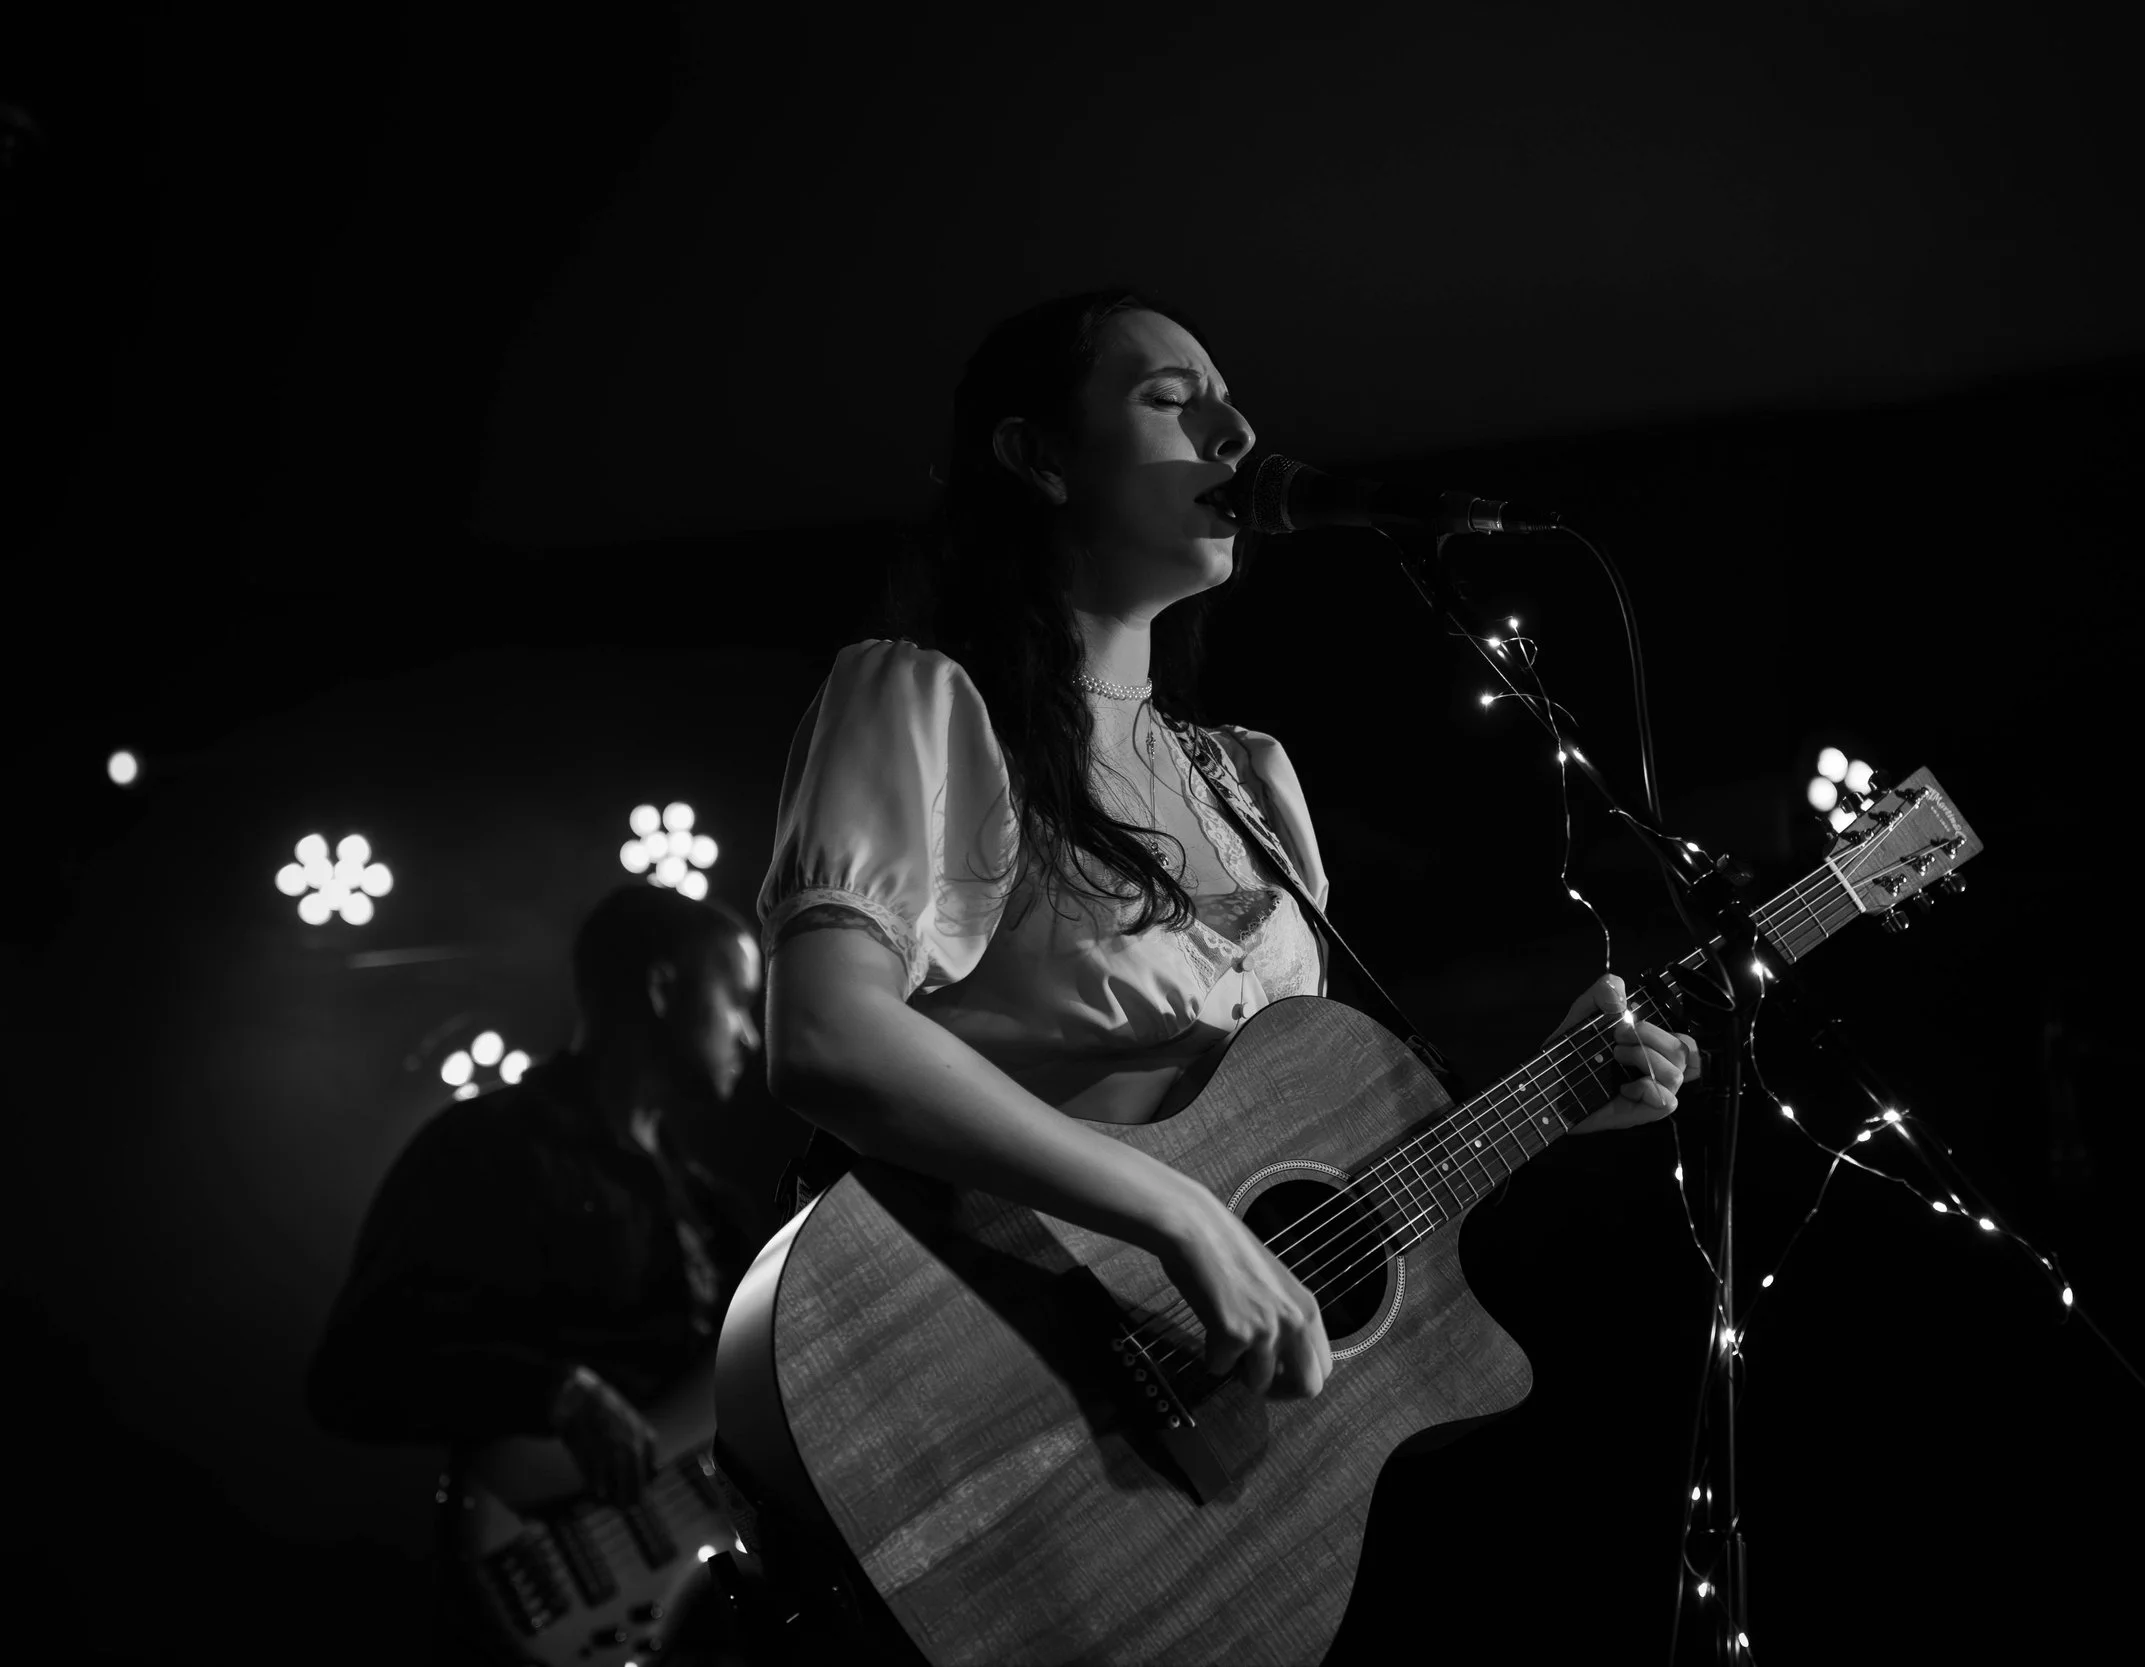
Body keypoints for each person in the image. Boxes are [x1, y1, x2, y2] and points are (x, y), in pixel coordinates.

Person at [756, 287, 1700, 1411]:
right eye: (1171, 400)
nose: (1238, 434)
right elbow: (823, 1034)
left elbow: (1291, 1169)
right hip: (975, 1372)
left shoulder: (1249, 777)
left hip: (1200, 1414)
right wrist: (1177, 1215)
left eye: (1231, 402)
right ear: (1039, 457)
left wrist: (1552, 1098)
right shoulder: (924, 701)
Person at [306, 883, 766, 1656]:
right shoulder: (488, 1146)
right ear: (662, 988)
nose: (751, 1034)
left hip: (697, 1605)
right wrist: (553, 1391)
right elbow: (352, 1370)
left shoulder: (713, 1207)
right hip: (538, 1574)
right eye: (739, 1000)